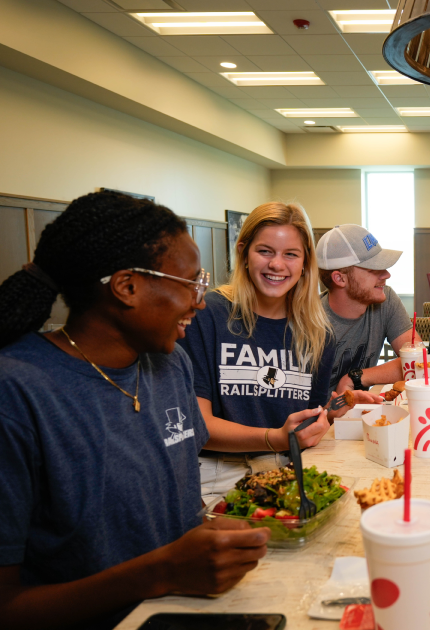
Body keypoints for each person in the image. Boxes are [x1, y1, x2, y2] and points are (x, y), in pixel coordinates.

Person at [0, 192, 269, 630]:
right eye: (190, 283)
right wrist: (161, 572)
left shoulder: (169, 364)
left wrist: (218, 529)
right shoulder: (18, 393)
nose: (199, 302)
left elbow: (171, 499)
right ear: (128, 286)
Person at [179, 204, 379, 504]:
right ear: (244, 253)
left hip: (288, 466)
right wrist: (274, 438)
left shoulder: (318, 334)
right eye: (265, 251)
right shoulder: (209, 315)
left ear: (304, 263)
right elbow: (199, 422)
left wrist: (335, 407)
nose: (277, 265)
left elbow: (301, 420)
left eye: (290, 254)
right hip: (216, 472)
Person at [317, 224, 422, 393]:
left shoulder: (385, 300)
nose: (386, 274)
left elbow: (418, 359)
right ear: (339, 278)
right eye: (373, 269)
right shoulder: (309, 323)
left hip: (360, 412)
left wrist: (356, 377)